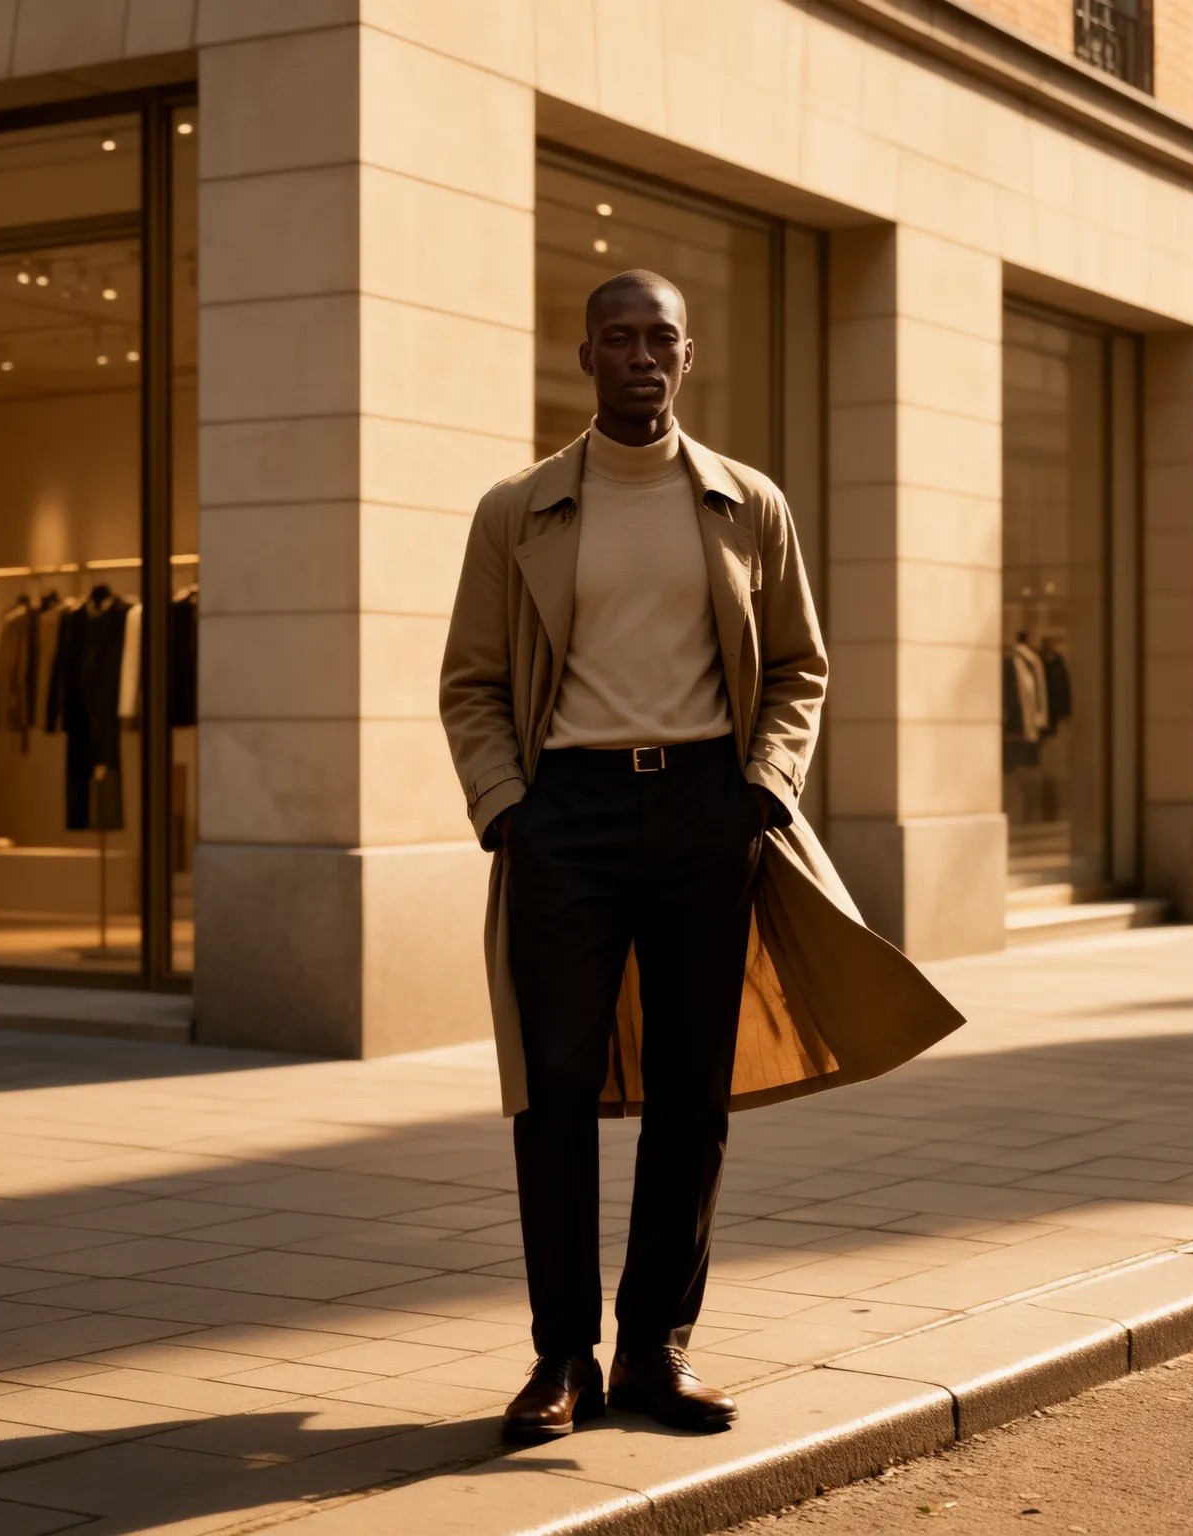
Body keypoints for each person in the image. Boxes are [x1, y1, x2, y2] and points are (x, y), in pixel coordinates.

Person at [439, 270, 963, 1442]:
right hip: (560, 816)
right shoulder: (514, 509)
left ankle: (653, 1355)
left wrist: (762, 790)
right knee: (554, 1089)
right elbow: (470, 681)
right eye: (616, 339)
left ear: (689, 356)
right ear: (582, 359)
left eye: (658, 339)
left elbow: (797, 668)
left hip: (703, 814)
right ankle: (560, 1359)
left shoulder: (746, 504)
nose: (638, 356)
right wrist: (507, 809)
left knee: (691, 1093)